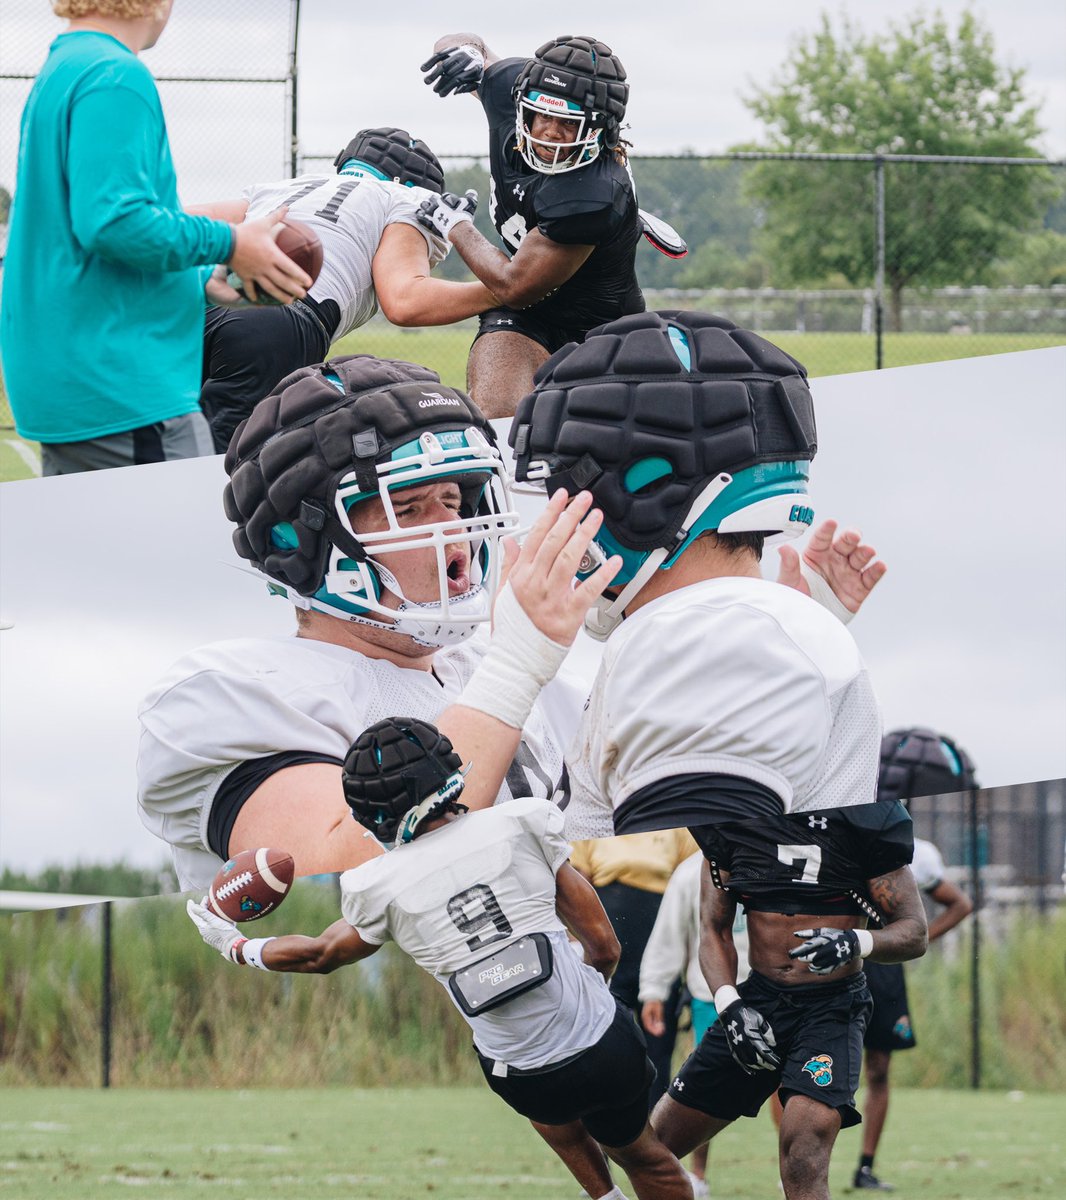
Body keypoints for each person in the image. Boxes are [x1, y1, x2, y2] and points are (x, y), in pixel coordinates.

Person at [137, 340, 879, 893]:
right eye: (411, 507)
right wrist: (514, 667)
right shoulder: (227, 693)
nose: (453, 533)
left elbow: (677, 818)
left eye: (458, 503)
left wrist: (778, 657)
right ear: (304, 541)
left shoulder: (543, 690)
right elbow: (341, 864)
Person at [509, 308, 910, 1200]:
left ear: (647, 490)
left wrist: (514, 662)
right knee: (655, 1151)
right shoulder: (720, 626)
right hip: (752, 998)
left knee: (758, 1154)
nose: (551, 519)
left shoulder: (694, 638)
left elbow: (691, 815)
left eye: (571, 485)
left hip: (815, 995)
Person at [188, 714, 693, 1200]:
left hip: (523, 1076)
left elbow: (320, 954)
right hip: (602, 1044)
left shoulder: (374, 885)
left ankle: (604, 1195)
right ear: (450, 773)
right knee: (644, 1155)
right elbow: (605, 945)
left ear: (369, 811)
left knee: (540, 1096)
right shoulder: (524, 822)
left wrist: (233, 944)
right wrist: (587, 996)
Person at [0, 0, 310, 475]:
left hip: (82, 373)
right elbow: (113, 221)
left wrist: (201, 279)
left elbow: (86, 238)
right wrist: (232, 243)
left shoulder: (66, 65)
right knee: (174, 546)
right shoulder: (115, 74)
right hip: (121, 385)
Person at [196, 127, 500, 453]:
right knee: (222, 467)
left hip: (194, 304)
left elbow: (176, 225)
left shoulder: (283, 186)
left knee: (157, 442)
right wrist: (502, 290)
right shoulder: (409, 199)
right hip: (275, 321)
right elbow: (404, 301)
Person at [418, 33, 645, 417]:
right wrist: (466, 55)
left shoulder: (595, 191)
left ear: (599, 129)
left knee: (599, 444)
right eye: (543, 116)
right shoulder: (509, 89)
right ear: (523, 105)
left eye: (568, 123)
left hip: (602, 327)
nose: (550, 133)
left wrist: (456, 225)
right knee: (500, 417)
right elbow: (462, 41)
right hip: (530, 317)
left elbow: (515, 285)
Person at [852, 727, 977, 1192]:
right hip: (833, 960)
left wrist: (914, 940)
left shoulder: (917, 852)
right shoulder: (842, 833)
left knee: (879, 1068)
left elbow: (959, 904)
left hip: (881, 971)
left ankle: (865, 1166)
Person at [639, 851, 751, 1199]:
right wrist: (654, 989)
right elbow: (669, 932)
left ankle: (788, 1173)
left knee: (785, 1091)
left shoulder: (771, 860)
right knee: (704, 1087)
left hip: (775, 993)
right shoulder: (691, 872)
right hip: (712, 997)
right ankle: (698, 1177)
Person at [571, 833, 700, 1107]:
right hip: (608, 953)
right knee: (605, 1047)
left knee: (659, 1048)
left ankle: (660, 1136)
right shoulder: (592, 823)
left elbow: (694, 885)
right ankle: (608, 1135)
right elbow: (575, 886)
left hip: (660, 952)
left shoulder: (673, 824)